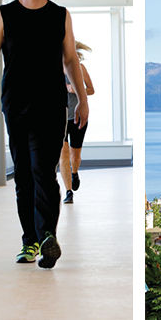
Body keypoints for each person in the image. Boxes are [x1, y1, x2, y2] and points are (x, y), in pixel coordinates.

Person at [0, 0, 88, 269]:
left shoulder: (60, 15)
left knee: (43, 171)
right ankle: (30, 242)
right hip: (15, 106)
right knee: (23, 176)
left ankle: (47, 237)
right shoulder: (4, 15)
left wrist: (83, 98)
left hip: (51, 106)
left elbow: (70, 60)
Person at [60, 41, 94, 204]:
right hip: (58, 117)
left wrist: (76, 89)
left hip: (77, 116)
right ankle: (68, 191)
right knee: (63, 153)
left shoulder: (80, 68)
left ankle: (74, 172)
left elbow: (91, 89)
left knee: (75, 154)